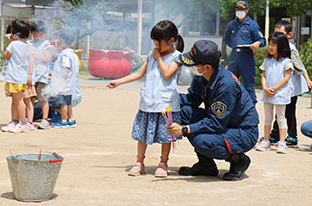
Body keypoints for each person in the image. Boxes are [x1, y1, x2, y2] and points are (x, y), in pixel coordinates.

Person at [167, 40, 259, 181]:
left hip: (243, 131)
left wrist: (185, 129)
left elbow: (216, 123)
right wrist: (167, 98)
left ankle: (238, 160)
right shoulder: (201, 76)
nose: (191, 66)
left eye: (194, 63)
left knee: (202, 140)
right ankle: (206, 165)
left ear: (206, 66)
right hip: (223, 123)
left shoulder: (226, 85)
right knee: (185, 112)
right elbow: (193, 99)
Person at [107, 20, 184, 178]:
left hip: (166, 103)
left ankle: (163, 163)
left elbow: (168, 74)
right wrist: (119, 81)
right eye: (154, 41)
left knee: (165, 135)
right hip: (148, 102)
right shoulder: (152, 54)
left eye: (159, 41)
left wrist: (159, 58)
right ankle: (139, 162)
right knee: (142, 134)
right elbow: (139, 73)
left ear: (171, 41)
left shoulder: (177, 56)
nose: (156, 44)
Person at [268, 21, 312, 147]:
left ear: (289, 35)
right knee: (280, 110)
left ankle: (292, 136)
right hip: (283, 87)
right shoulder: (278, 48)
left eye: (280, 33)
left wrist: (308, 80)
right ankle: (275, 134)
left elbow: (300, 67)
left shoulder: (290, 49)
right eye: (275, 33)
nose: (276, 36)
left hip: (291, 88)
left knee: (288, 112)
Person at [255, 32, 293, 154]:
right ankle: (266, 140)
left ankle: (282, 142)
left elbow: (286, 78)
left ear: (281, 46)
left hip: (280, 93)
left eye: (273, 45)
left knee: (281, 117)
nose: (270, 47)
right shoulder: (267, 61)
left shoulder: (287, 62)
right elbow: (264, 75)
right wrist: (265, 88)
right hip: (268, 94)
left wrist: (274, 88)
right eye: (269, 44)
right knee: (267, 117)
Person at [223, 0, 266, 104]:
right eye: (237, 9)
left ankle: (251, 110)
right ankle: (232, 107)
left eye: (242, 9)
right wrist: (233, 45)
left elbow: (263, 40)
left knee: (248, 85)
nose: (239, 11)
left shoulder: (252, 25)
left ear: (247, 10)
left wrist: (257, 44)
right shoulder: (232, 24)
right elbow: (226, 37)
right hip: (234, 56)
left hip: (246, 55)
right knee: (231, 82)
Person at [0, 19, 34, 133]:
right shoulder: (27, 45)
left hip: (15, 78)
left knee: (17, 101)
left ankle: (22, 123)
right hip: (20, 77)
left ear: (15, 33)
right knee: (16, 100)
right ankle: (14, 121)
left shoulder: (13, 44)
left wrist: (10, 42)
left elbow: (6, 56)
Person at [48, 31, 79, 128]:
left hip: (65, 84)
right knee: (68, 103)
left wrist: (61, 81)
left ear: (62, 40)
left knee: (63, 103)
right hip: (71, 84)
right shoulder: (73, 53)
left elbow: (66, 68)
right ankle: (71, 119)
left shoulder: (65, 54)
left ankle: (64, 120)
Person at [28, 21, 52, 129]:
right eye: (35, 34)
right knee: (31, 99)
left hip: (42, 77)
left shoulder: (46, 44)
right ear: (31, 33)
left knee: (43, 99)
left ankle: (45, 120)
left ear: (45, 34)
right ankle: (29, 121)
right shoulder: (29, 43)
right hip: (32, 77)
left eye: (40, 35)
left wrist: (34, 54)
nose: (38, 37)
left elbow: (47, 58)